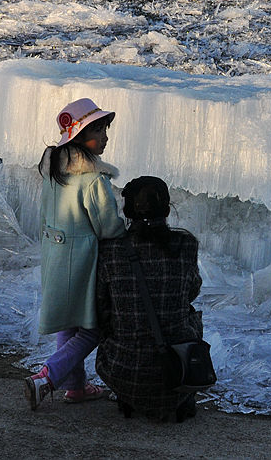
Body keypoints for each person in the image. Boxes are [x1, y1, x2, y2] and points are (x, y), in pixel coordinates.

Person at [24, 97, 125, 411]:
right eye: (99, 130)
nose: (105, 137)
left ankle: (76, 387)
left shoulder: (55, 170)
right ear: (81, 136)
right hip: (81, 262)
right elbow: (108, 227)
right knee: (94, 327)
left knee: (70, 322)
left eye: (105, 129)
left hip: (55, 256)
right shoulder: (93, 179)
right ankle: (47, 376)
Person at [95, 176, 204, 423]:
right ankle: (179, 397)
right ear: (167, 209)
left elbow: (102, 307)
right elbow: (191, 292)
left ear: (127, 210)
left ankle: (131, 397)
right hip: (181, 369)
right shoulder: (185, 244)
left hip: (123, 372)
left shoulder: (110, 250)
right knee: (191, 315)